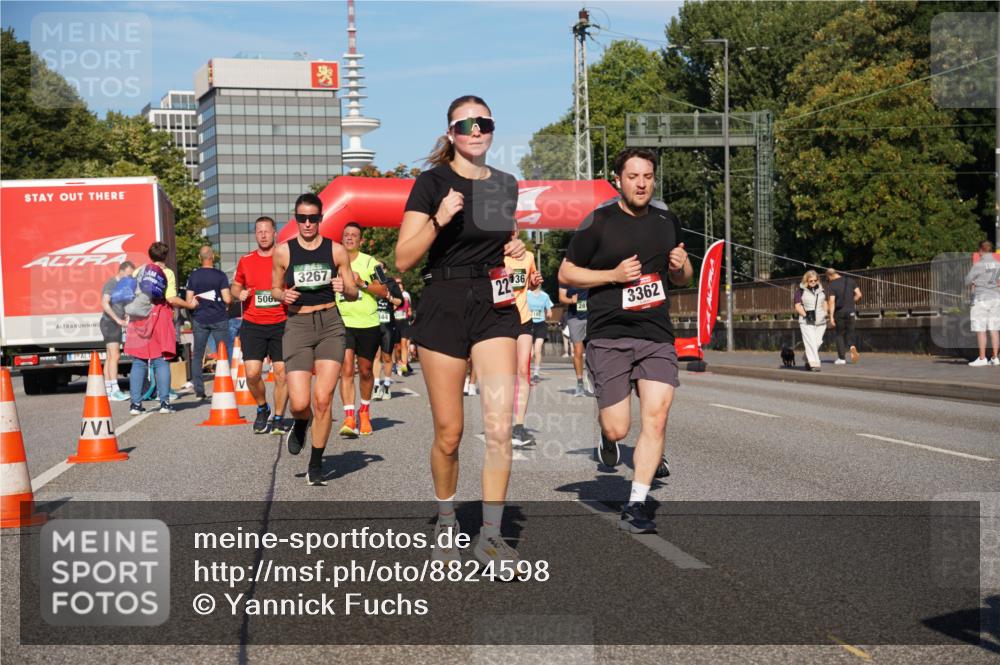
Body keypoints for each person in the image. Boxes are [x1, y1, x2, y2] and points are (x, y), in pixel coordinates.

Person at [395, 94, 527, 567]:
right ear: (451, 132)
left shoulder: (504, 185)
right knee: (449, 433)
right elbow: (404, 258)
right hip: (443, 304)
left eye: (484, 122)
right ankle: (448, 518)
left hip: (493, 306)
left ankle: (491, 535)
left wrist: (514, 251)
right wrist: (439, 218)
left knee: (499, 427)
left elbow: (495, 244)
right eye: (466, 123)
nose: (477, 129)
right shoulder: (431, 184)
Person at [558, 148, 692, 534]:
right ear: (618, 179)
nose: (641, 183)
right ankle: (606, 435)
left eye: (647, 176)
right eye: (633, 176)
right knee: (619, 428)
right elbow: (566, 272)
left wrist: (680, 265)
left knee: (657, 416)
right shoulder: (598, 221)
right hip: (610, 334)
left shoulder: (668, 220)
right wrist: (613, 275)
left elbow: (682, 276)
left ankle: (637, 503)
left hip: (655, 333)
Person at [272, 193, 359, 486]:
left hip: (330, 324)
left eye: (313, 218)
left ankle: (316, 462)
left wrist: (343, 286)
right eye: (302, 218)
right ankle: (300, 422)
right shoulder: (283, 252)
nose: (307, 223)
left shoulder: (336, 251)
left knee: (323, 400)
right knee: (299, 403)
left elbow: (353, 291)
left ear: (321, 219)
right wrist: (283, 295)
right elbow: (273, 288)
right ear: (296, 219)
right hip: (297, 324)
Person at [232, 217, 290, 434]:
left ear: (275, 233)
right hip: (253, 323)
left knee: (281, 372)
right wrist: (240, 293)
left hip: (281, 323)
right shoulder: (246, 260)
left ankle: (278, 416)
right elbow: (235, 287)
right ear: (255, 234)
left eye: (267, 231)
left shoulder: (284, 257)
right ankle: (262, 407)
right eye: (259, 232)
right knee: (252, 373)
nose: (263, 235)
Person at [126, 242, 196, 414]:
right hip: (159, 317)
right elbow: (171, 298)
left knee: (139, 361)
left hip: (140, 317)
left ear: (150, 255)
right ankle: (164, 403)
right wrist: (189, 305)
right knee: (161, 360)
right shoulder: (167, 273)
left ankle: (135, 404)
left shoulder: (139, 270)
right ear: (166, 255)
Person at [337, 222, 391, 437]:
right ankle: (349, 417)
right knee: (347, 369)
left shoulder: (371, 262)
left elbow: (384, 289)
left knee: (366, 370)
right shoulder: (334, 261)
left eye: (354, 235)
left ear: (360, 241)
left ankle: (365, 412)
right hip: (342, 321)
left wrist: (362, 284)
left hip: (367, 323)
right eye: (346, 235)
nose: (350, 238)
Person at [184, 246, 232, 400]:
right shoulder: (220, 275)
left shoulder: (194, 276)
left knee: (198, 355)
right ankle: (226, 386)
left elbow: (188, 301)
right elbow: (227, 299)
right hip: (219, 318)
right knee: (223, 353)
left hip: (199, 319)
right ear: (213, 257)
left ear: (200, 258)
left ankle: (199, 391)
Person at [505, 247, 542, 446]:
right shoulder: (494, 254)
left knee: (522, 371)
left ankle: (518, 427)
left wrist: (534, 282)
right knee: (505, 372)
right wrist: (503, 275)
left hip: (523, 318)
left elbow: (530, 285)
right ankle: (503, 421)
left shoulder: (528, 256)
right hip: (500, 319)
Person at [99, 260, 135, 401]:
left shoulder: (123, 285)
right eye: (128, 274)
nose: (130, 277)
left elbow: (121, 304)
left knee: (110, 357)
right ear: (121, 270)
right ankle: (114, 390)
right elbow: (104, 303)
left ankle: (108, 391)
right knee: (115, 356)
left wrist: (125, 315)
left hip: (112, 323)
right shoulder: (111, 283)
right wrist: (117, 319)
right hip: (109, 323)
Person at [965, 240, 1000, 366]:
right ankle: (995, 357)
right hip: (996, 299)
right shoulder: (998, 264)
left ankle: (982, 358)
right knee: (994, 329)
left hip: (981, 299)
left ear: (981, 250)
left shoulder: (979, 264)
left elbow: (967, 280)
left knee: (981, 329)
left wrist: (976, 281)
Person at [559, 284, 592, 396]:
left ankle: (593, 379)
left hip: (592, 316)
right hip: (575, 318)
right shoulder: (567, 278)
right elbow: (561, 297)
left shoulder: (591, 273)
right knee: (578, 351)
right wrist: (571, 300)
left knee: (593, 351)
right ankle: (580, 384)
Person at [794, 270, 829, 372]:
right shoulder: (800, 291)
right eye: (811, 281)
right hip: (806, 321)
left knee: (818, 342)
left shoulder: (822, 290)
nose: (813, 282)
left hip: (821, 321)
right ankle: (814, 363)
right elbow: (797, 306)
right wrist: (806, 315)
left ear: (818, 280)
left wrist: (825, 312)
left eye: (815, 280)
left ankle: (806, 357)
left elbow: (825, 302)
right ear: (806, 281)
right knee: (811, 342)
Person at [826, 267, 862, 365]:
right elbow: (859, 294)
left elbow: (832, 301)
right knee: (850, 332)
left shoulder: (832, 285)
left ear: (830, 275)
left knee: (839, 334)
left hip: (839, 312)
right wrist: (850, 302)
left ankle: (841, 358)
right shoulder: (850, 280)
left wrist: (831, 317)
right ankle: (852, 347)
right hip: (851, 311)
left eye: (827, 278)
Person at [526, 282, 554, 385]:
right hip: (528, 324)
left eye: (538, 281)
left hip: (541, 325)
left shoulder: (545, 296)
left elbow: (549, 310)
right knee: (531, 352)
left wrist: (549, 313)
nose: (536, 283)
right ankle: (526, 373)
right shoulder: (526, 294)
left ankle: (536, 373)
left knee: (537, 350)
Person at [393, 278, 414, 375]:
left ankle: (404, 367)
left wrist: (409, 315)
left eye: (401, 289)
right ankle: (398, 363)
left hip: (405, 322)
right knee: (397, 347)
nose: (400, 290)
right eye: (399, 288)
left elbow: (409, 309)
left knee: (404, 344)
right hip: (395, 323)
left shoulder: (406, 297)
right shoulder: (393, 298)